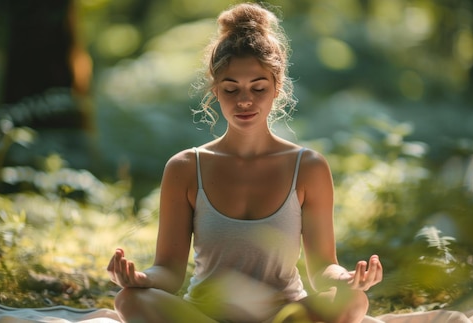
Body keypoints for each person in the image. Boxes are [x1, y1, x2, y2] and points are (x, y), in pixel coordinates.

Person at [107, 2, 383, 322]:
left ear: (277, 87)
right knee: (130, 300)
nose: (245, 101)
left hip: (285, 315)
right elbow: (168, 270)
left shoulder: (308, 167)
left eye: (258, 87)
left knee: (353, 301)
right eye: (231, 88)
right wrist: (141, 279)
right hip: (205, 315)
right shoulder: (184, 167)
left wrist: (348, 279)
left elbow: (323, 268)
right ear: (215, 91)